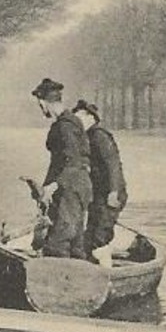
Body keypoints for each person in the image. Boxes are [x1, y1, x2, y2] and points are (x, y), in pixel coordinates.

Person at [32, 77, 91, 259]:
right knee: (75, 242)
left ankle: (60, 282)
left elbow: (73, 161)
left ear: (43, 103)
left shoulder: (65, 126)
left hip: (71, 190)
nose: (41, 109)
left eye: (39, 104)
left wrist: (53, 186)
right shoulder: (68, 123)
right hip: (73, 188)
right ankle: (79, 279)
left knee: (58, 243)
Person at [74, 100, 127, 263]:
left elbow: (113, 164)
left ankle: (106, 276)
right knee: (89, 236)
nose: (77, 121)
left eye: (80, 117)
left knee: (99, 239)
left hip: (111, 195)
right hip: (98, 196)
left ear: (91, 117)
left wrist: (113, 192)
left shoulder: (99, 136)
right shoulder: (86, 137)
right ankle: (91, 269)